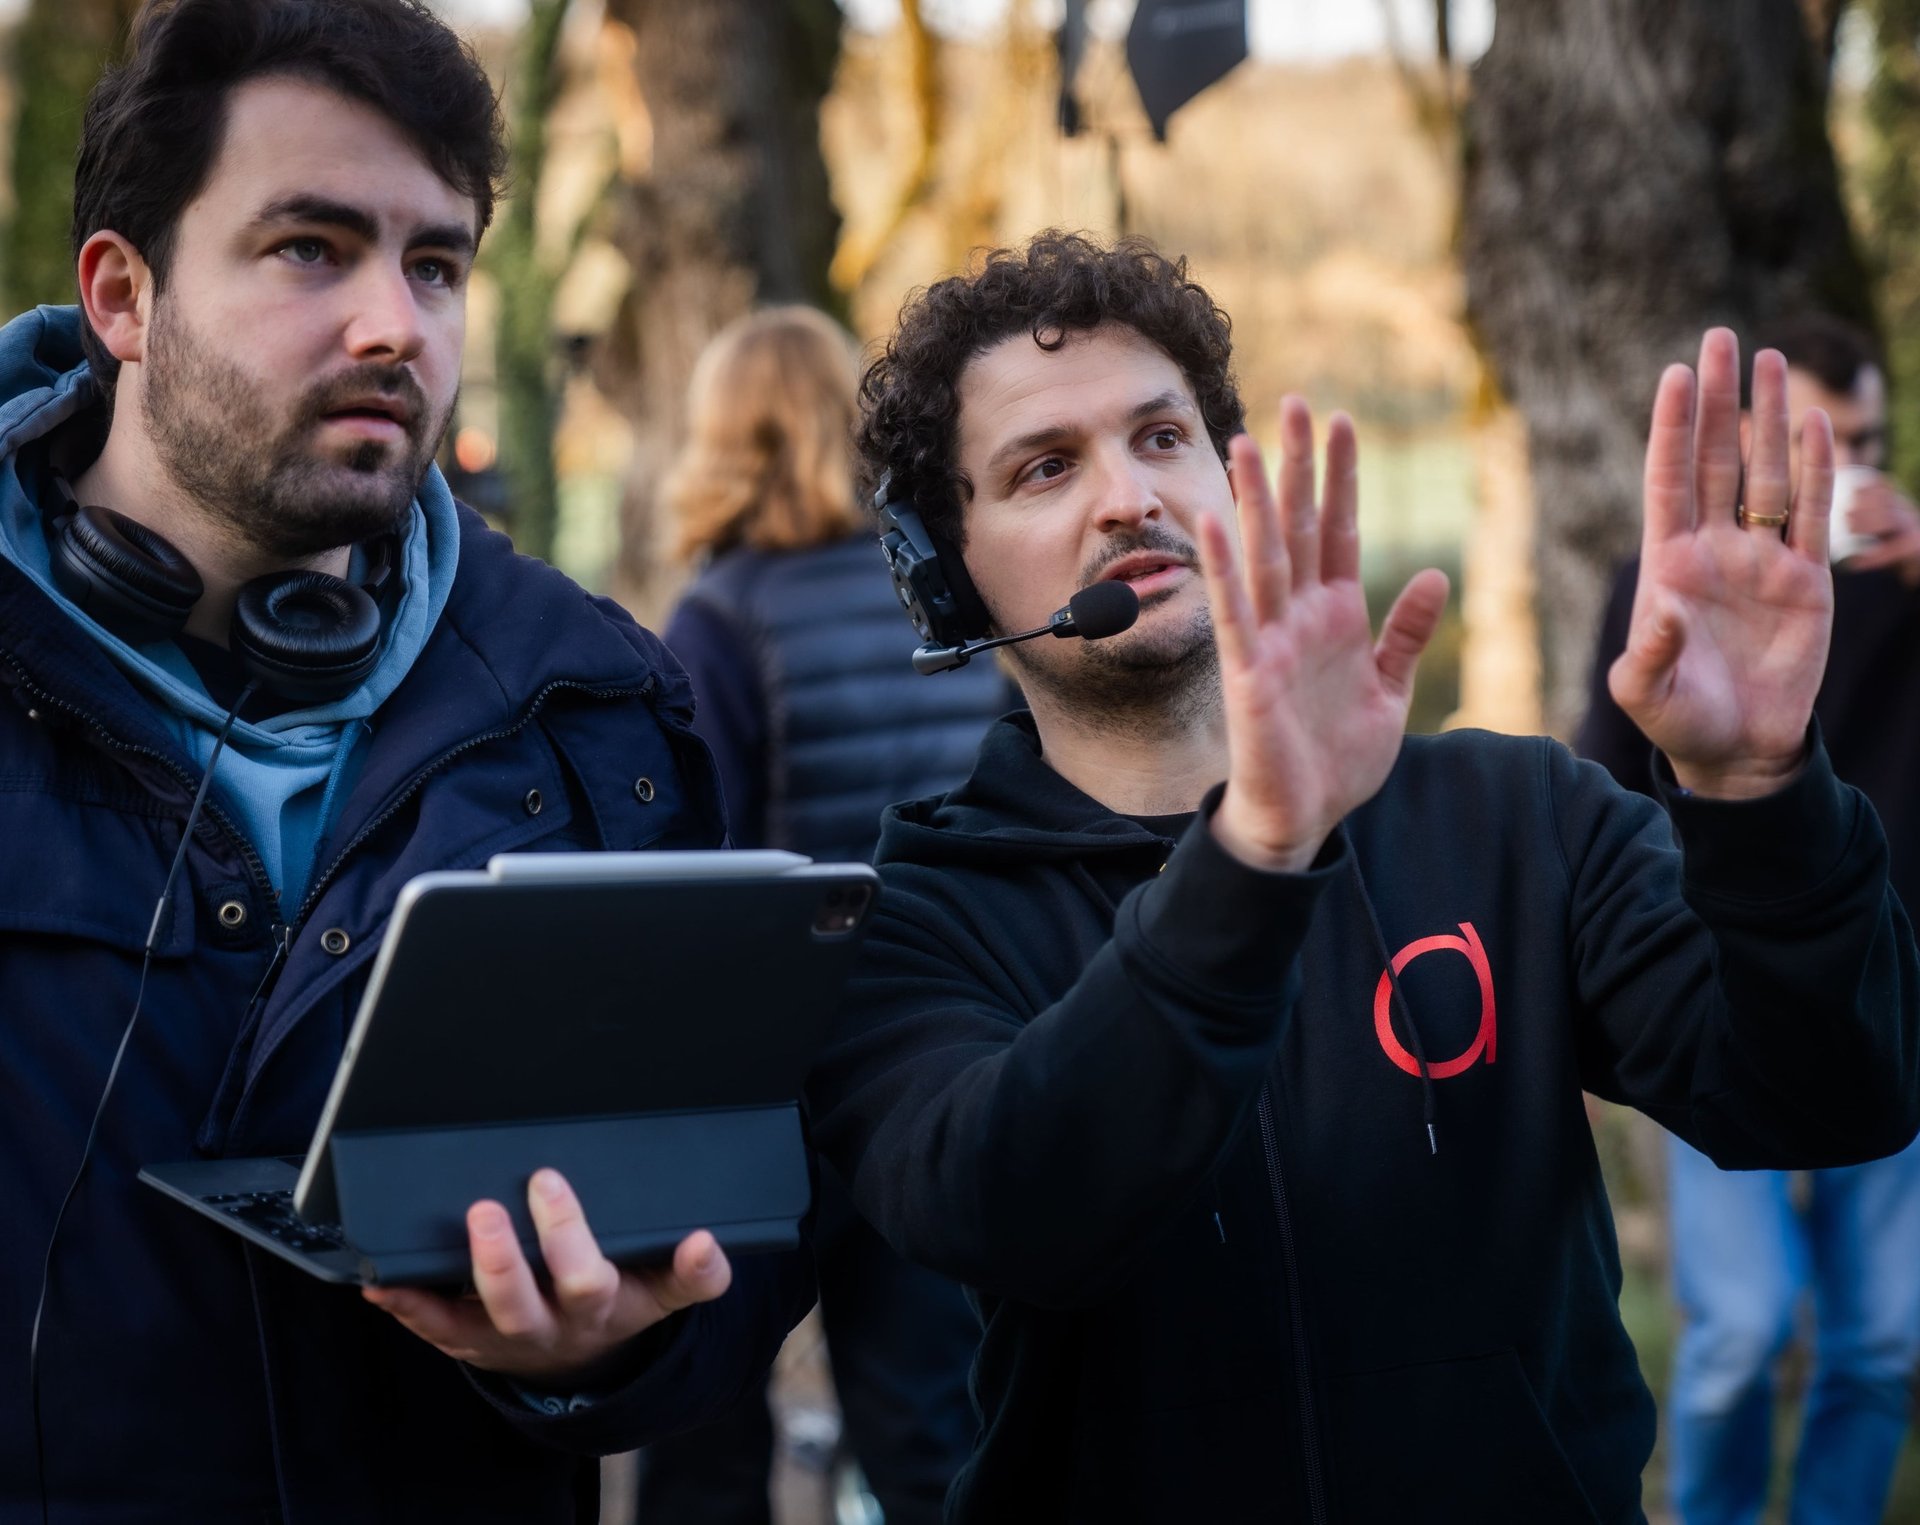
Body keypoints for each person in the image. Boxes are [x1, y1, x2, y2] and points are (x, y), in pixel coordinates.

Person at [804, 232, 1920, 1524]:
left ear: (1231, 481)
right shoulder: (911, 919)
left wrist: (1757, 792)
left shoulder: (1519, 816)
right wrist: (1257, 856)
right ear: (945, 576)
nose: (1127, 496)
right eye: (1046, 467)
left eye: (1163, 438)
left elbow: (1832, 1096)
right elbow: (1018, 1204)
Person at [0, 2, 811, 1519]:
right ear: (123, 291)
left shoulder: (601, 708)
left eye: (434, 264)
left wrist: (606, 1348)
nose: (397, 325)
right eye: (311, 247)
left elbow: (748, 1239)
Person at [642, 307, 995, 1524]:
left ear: (722, 438)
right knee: (932, 1408)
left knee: (705, 1401)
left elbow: (703, 865)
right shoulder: (937, 600)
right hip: (944, 1039)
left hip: (777, 1067)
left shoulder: (720, 619)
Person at [1579, 312, 1920, 1525]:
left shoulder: (1908, 583)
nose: (1851, 472)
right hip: (1716, 988)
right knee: (1738, 1330)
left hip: (1890, 998)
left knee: (1880, 1337)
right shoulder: (1665, 588)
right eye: (1821, 441)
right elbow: (1604, 792)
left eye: (1870, 442)